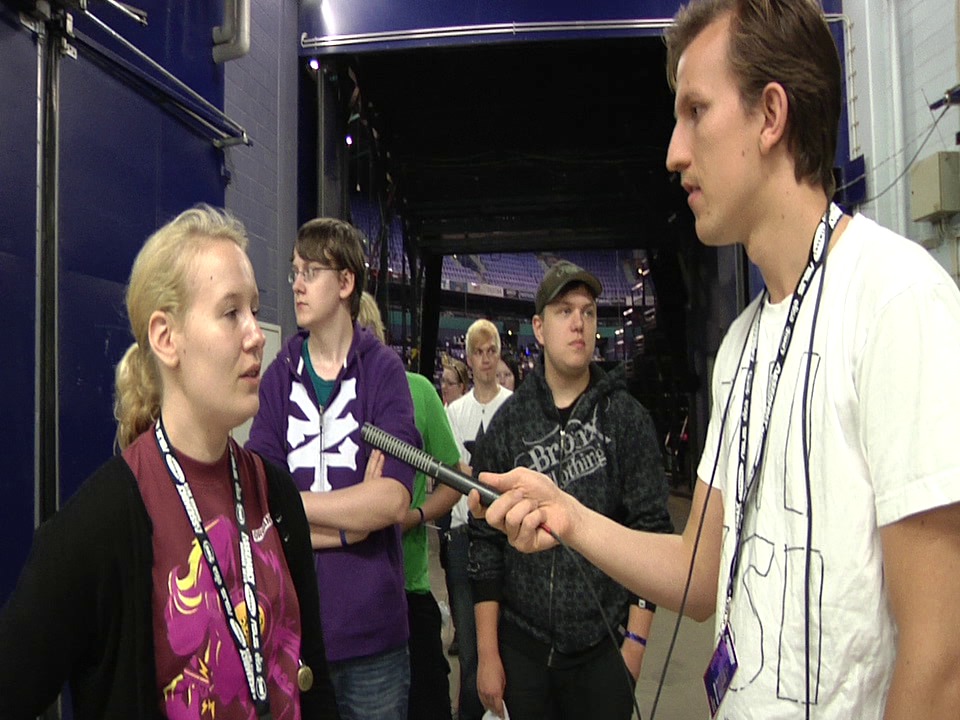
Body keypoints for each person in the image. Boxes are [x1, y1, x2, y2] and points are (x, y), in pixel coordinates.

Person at [470, 2, 960, 719]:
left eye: (696, 112)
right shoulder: (740, 344)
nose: (674, 152)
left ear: (771, 115)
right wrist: (568, 515)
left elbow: (941, 662)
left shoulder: (896, 299)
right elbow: (701, 574)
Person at [0, 205, 339, 719]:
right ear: (166, 338)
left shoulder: (275, 494)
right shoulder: (101, 525)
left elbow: (314, 679)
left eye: (254, 309)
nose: (256, 335)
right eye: (231, 312)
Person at [468, 261, 673, 719]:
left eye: (588, 311)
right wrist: (487, 653)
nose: (579, 322)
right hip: (523, 648)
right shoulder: (509, 424)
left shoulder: (625, 418)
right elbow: (483, 543)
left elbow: (652, 533)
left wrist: (634, 647)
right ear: (539, 328)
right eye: (564, 311)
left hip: (602, 648)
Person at [247, 218, 418, 720]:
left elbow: (392, 500)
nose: (297, 284)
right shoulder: (279, 377)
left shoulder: (384, 372)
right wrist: (349, 528)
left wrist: (296, 508)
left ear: (345, 282)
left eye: (311, 272)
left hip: (374, 640)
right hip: (292, 632)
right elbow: (261, 501)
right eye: (294, 272)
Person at [357, 292, 462, 720]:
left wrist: (416, 516)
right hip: (347, 595)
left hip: (410, 588)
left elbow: (455, 476)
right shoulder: (325, 405)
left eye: (365, 333)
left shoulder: (417, 390)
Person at [444, 319, 513, 720]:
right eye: (478, 352)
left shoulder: (514, 407)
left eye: (492, 351)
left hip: (507, 538)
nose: (486, 360)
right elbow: (457, 470)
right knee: (469, 650)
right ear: (469, 358)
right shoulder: (454, 412)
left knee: (505, 644)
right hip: (463, 537)